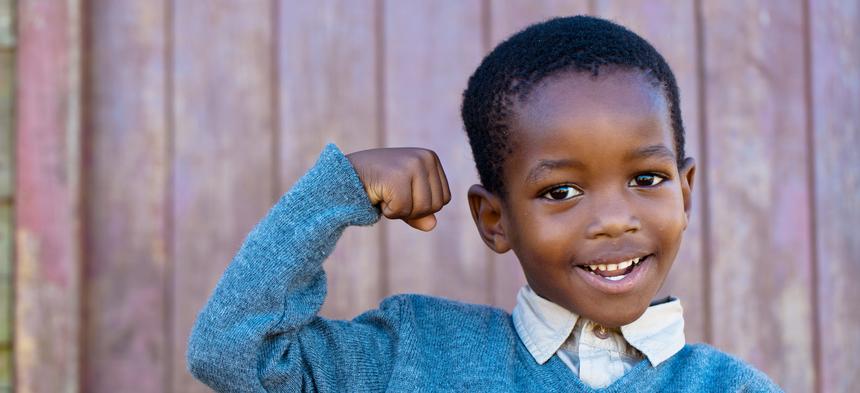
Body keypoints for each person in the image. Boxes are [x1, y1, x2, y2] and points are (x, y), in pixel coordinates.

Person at [187, 15, 781, 392]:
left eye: (647, 179)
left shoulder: (731, 387)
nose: (615, 219)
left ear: (686, 192)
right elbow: (234, 352)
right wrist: (336, 192)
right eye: (561, 192)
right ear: (495, 220)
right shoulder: (416, 355)